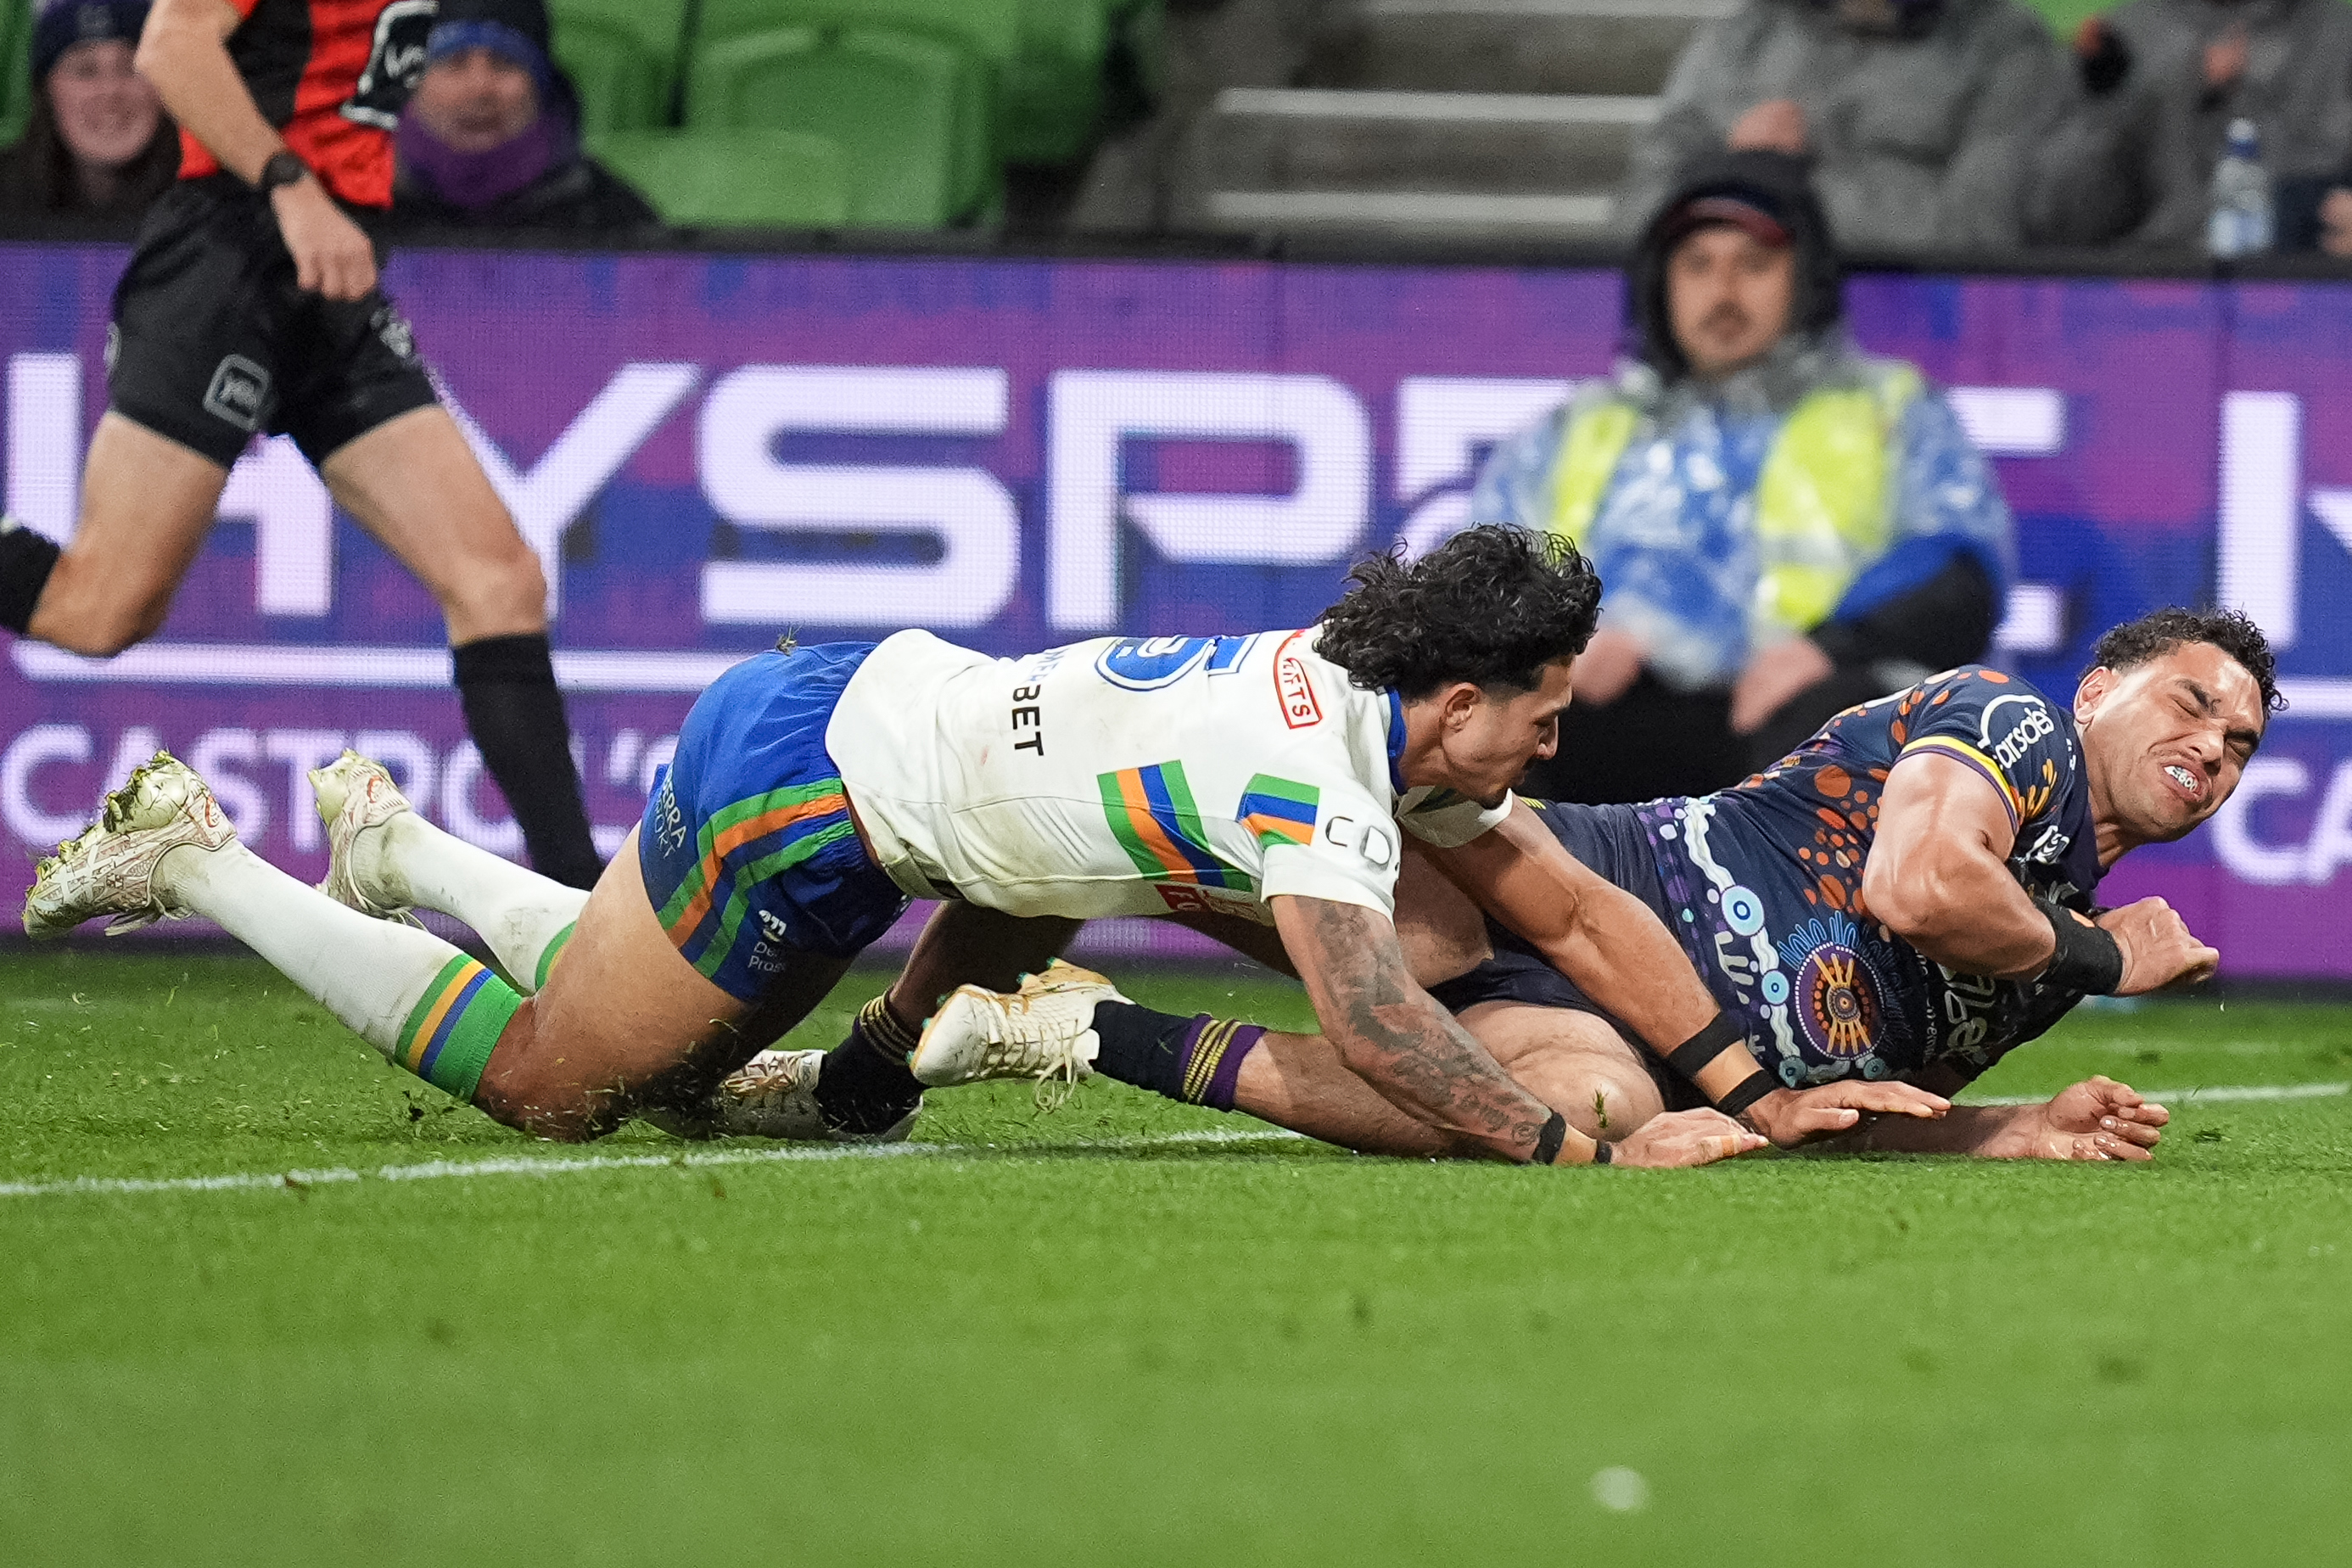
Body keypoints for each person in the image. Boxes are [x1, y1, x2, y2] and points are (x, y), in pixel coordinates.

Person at [23, 529, 1935, 1168]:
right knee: (562, 1089)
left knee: (689, 1077)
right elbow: (1382, 1035)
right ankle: (199, 853)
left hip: (886, 760)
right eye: (1547, 700)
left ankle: (412, 857)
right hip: (802, 791)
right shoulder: (1311, 782)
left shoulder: (1370, 714)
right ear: (1462, 694)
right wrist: (1574, 1149)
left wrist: (1752, 1092)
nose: (1560, 731)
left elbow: (1586, 915)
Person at [954, 608, 2273, 1165]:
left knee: (1586, 1107)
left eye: (2241, 745)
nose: (2211, 746)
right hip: (1575, 884)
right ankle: (1014, 788)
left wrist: (2011, 1127)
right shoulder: (2012, 727)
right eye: (2193, 702)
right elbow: (1921, 884)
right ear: (2101, 690)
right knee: (1280, 887)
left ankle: (1074, 1026)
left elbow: (1832, 1116)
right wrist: (2104, 963)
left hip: (1651, 1047)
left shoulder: (2050, 938)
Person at [0, 0, 603, 888]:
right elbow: (170, 46)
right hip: (231, 257)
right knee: (98, 613)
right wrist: (291, 186)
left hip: (327, 276)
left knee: (497, 580)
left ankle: (578, 914)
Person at [1475, 150, 2013, 805]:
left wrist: (1824, 651)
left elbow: (1959, 580)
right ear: (1659, 283)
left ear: (1806, 280)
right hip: (1611, 713)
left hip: (1801, 713)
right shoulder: (1581, 429)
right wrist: (1555, 653)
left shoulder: (1888, 411)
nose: (1723, 292)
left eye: (1754, 265)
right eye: (1698, 265)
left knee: (1852, 725)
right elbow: (1479, 584)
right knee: (1493, 723)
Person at [1614, 0, 2064, 254]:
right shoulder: (1740, 44)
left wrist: (1774, 189)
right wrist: (1731, 174)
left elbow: (1982, 235)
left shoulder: (2010, 51)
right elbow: (1636, 217)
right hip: (1747, 345)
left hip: (1918, 336)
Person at [2025, 0, 2352, 250]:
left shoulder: (2338, 35)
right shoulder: (2123, 37)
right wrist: (2140, 104)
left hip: (2300, 296)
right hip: (2150, 290)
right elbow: (2056, 219)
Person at [390, 0, 658, 232]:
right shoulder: (355, 216)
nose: (480, 88)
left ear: (541, 86)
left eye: (504, 63)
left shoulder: (611, 216)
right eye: (454, 63)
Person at [0, 0, 181, 221]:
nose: (110, 90)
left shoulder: (211, 205)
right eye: (85, 71)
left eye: (131, 67)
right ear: (45, 91)